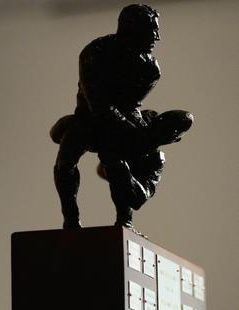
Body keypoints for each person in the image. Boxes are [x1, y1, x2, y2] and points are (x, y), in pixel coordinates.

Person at [51, 4, 192, 231]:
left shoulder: (150, 68)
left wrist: (140, 139)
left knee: (123, 158)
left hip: (124, 119)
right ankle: (71, 218)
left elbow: (132, 104)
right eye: (150, 30)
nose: (157, 37)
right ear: (130, 28)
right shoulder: (95, 52)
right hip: (89, 117)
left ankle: (124, 221)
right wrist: (134, 133)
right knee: (65, 162)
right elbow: (98, 103)